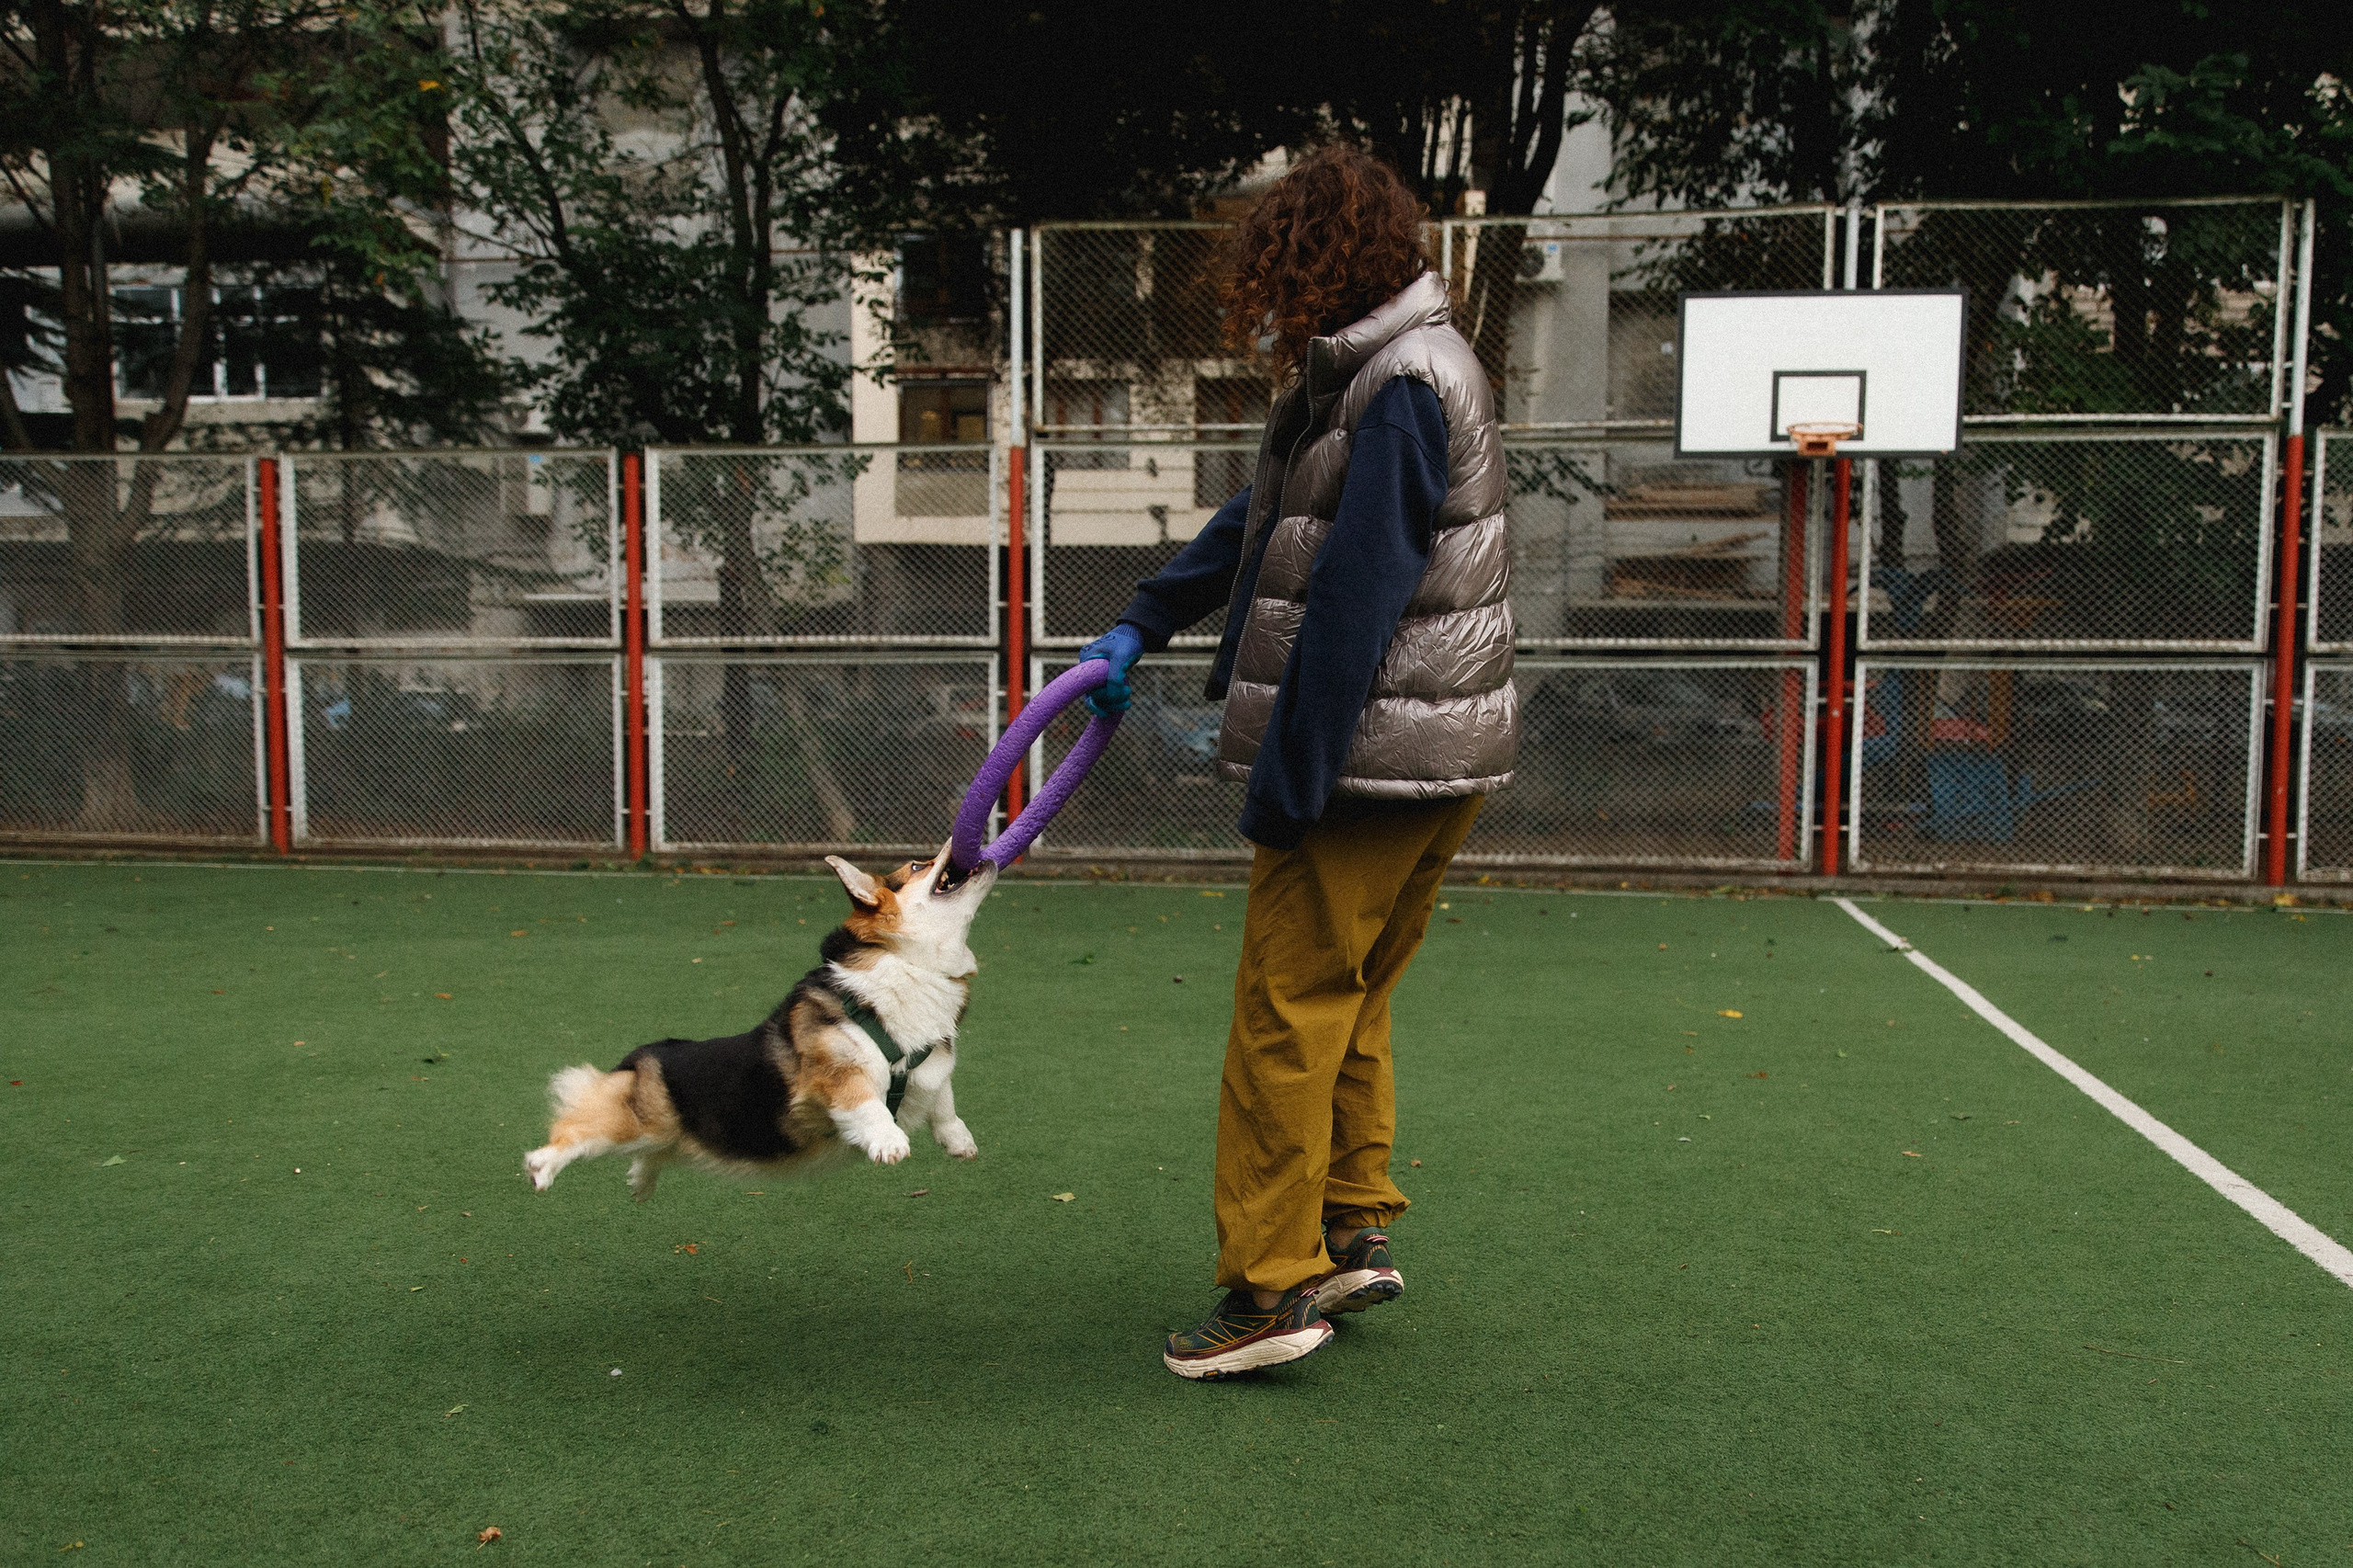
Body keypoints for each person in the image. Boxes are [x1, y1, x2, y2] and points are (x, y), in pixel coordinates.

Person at [1074, 144, 1518, 1381]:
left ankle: (1269, 1287)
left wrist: (1292, 776)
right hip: (1436, 750)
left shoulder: (1400, 385)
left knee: (1284, 1008)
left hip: (1369, 760)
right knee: (1349, 991)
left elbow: (1356, 598)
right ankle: (1350, 1219)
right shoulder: (1384, 369)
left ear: (1317, 261)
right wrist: (1148, 615)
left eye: (1275, 266)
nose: (1264, 295)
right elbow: (1269, 519)